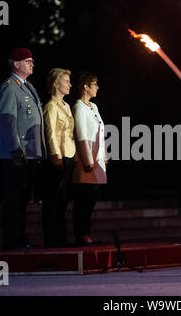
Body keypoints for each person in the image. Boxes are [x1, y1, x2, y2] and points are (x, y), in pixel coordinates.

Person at [0, 47, 46, 250]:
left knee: (23, 200)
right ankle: (11, 241)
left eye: (32, 60)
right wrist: (16, 150)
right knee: (14, 200)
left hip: (30, 153)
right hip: (16, 155)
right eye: (27, 61)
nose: (31, 63)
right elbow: (8, 121)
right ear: (15, 64)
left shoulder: (28, 87)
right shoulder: (9, 87)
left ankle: (19, 238)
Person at [42, 68, 76, 248]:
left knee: (63, 199)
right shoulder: (51, 106)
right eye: (65, 81)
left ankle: (61, 237)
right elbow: (50, 134)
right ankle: (51, 237)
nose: (69, 84)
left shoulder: (66, 106)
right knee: (53, 198)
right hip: (58, 156)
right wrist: (55, 154)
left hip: (69, 154)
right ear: (56, 84)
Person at [72, 72, 107, 245]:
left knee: (93, 196)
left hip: (96, 156)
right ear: (86, 87)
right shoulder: (79, 107)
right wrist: (88, 160)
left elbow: (100, 132)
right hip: (87, 157)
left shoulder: (93, 106)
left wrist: (103, 155)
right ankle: (81, 233)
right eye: (94, 84)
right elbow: (82, 134)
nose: (97, 87)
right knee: (84, 198)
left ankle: (87, 232)